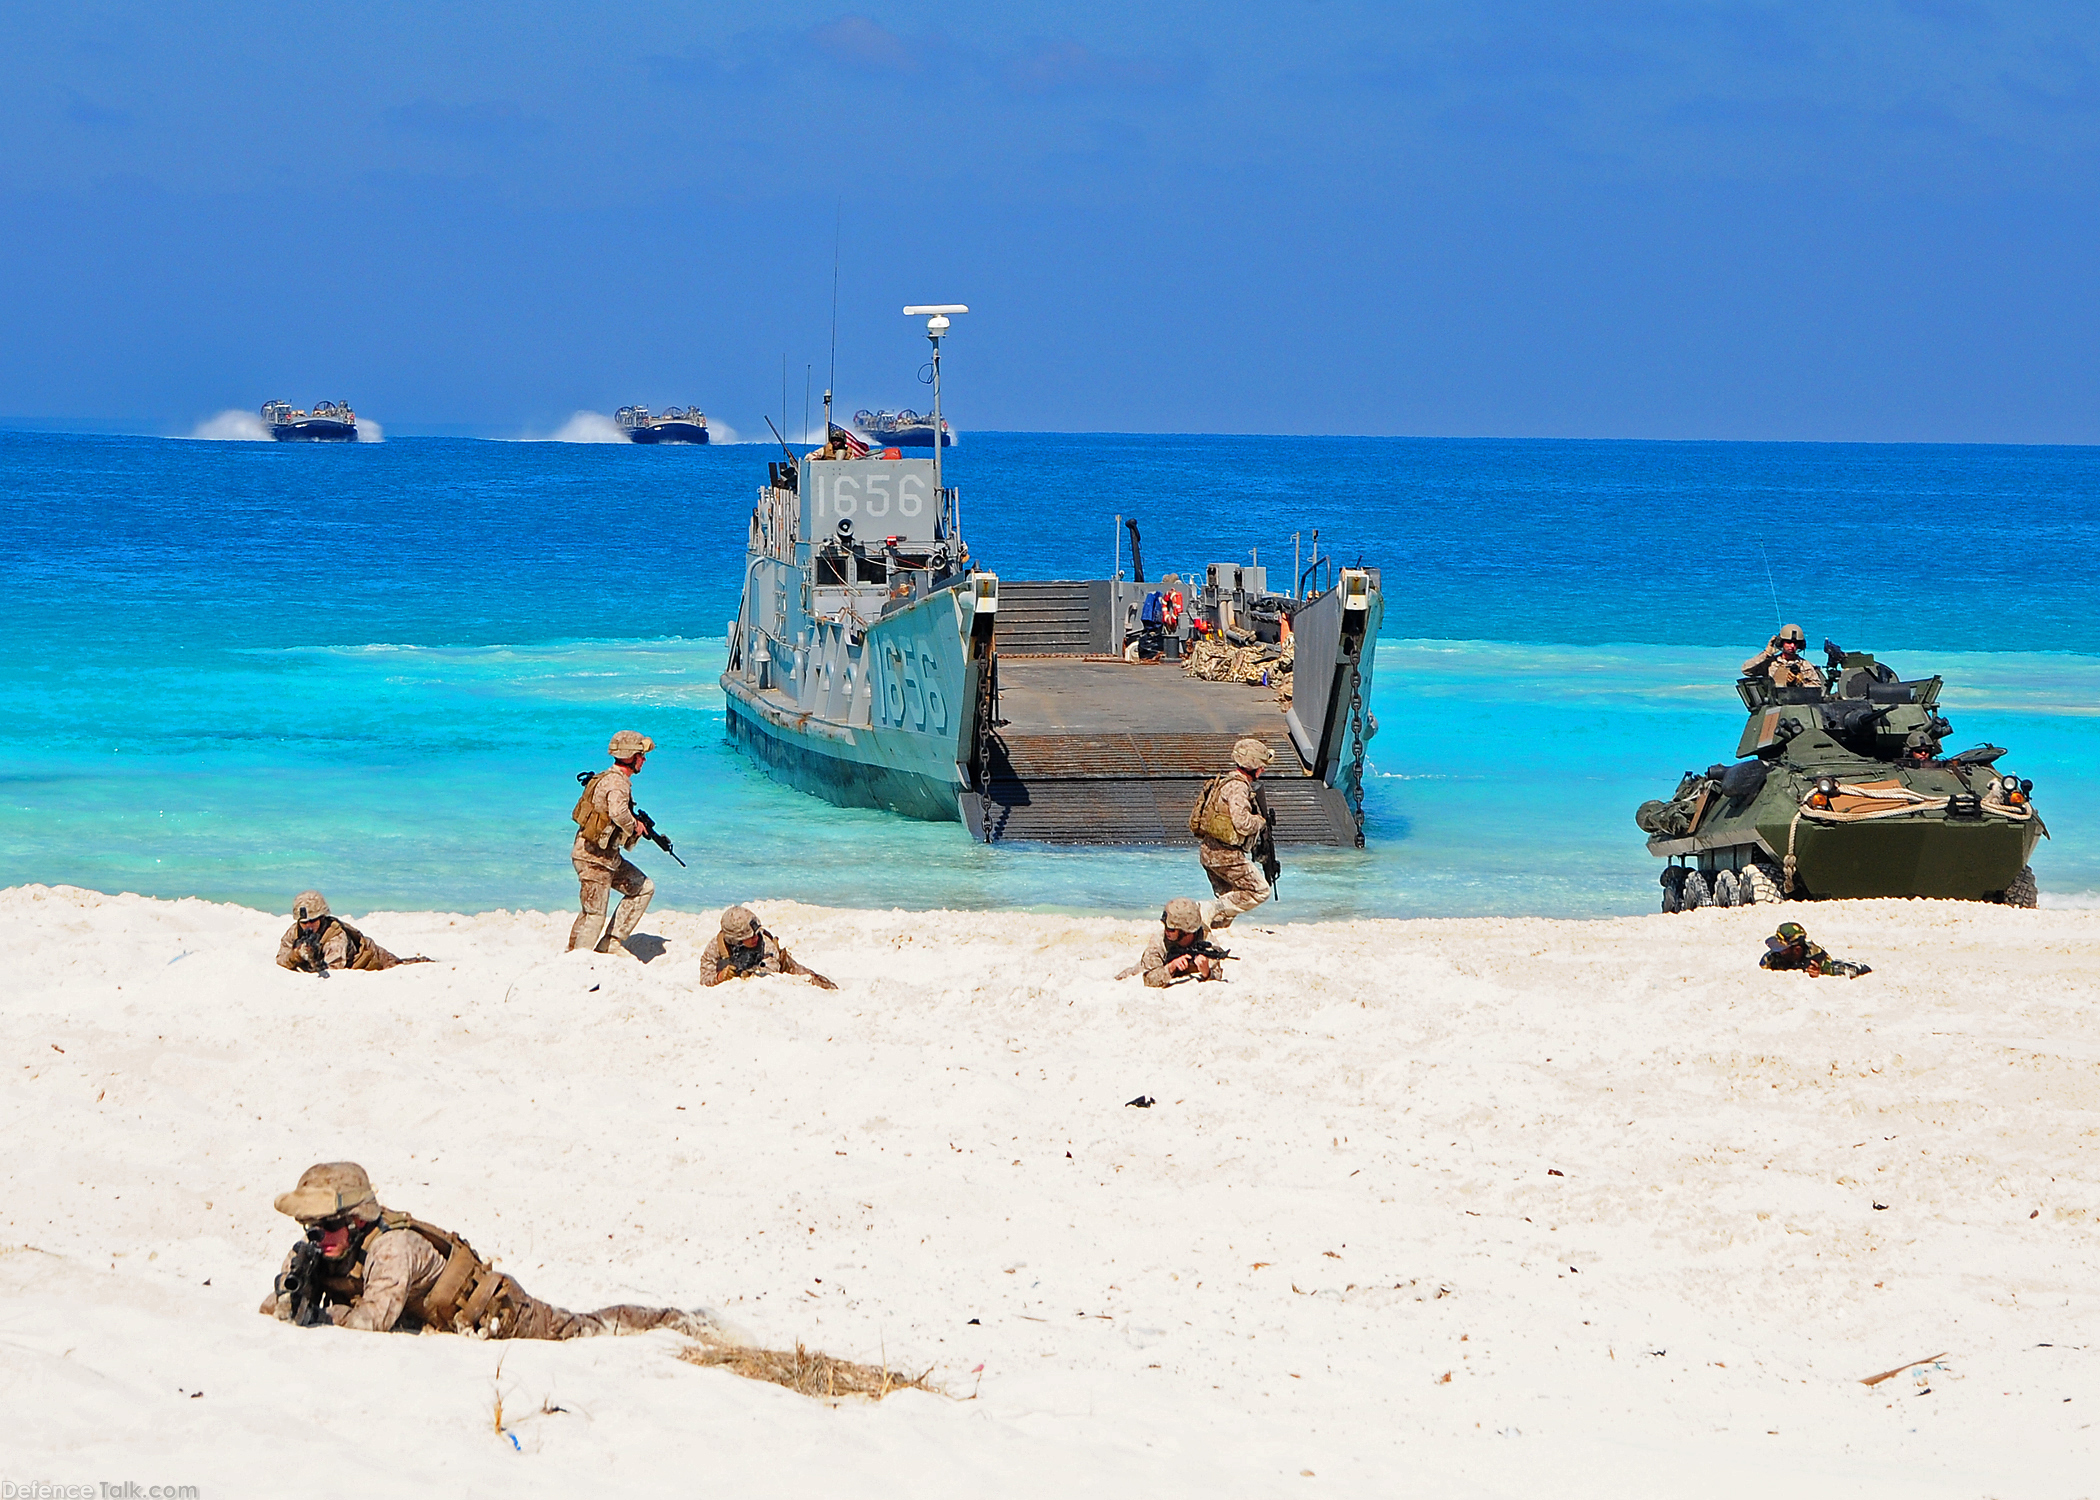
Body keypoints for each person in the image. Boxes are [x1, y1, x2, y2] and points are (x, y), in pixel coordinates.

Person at [259, 1162, 743, 1343]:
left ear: (358, 1219)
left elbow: (372, 1323)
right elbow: (276, 1306)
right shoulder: (317, 1253)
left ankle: (676, 1321)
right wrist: (289, 1299)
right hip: (450, 1323)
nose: (317, 1240)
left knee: (581, 1330)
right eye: (310, 1228)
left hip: (497, 1310)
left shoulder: (392, 1248)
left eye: (327, 1227)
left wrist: (321, 1317)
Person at [569, 731, 660, 955]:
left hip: (605, 857)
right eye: (641, 755)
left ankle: (610, 941)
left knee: (642, 887)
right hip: (594, 859)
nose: (644, 760)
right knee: (594, 915)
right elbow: (618, 812)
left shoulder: (608, 777)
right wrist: (634, 826)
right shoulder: (618, 784)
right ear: (631, 757)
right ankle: (576, 961)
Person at [1188, 737, 1275, 929]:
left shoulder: (1225, 781)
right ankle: (1207, 908)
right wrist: (1261, 822)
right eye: (1262, 766)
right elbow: (1242, 823)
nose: (1264, 770)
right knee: (1259, 891)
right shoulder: (1238, 787)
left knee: (1225, 915)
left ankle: (1198, 931)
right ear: (1255, 767)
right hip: (1226, 855)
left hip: (1210, 852)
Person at [275, 891, 420, 974]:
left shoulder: (335, 936)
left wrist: (312, 958)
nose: (308, 926)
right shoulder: (295, 931)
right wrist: (296, 955)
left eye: (313, 921)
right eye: (304, 922)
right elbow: (281, 958)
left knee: (405, 965)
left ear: (322, 917)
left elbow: (333, 968)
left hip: (373, 957)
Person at [697, 905, 838, 989]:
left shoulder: (765, 944)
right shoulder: (717, 947)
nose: (756, 938)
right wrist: (721, 976)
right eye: (750, 937)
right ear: (736, 940)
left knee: (814, 980)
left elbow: (772, 970)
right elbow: (704, 978)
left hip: (787, 969)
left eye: (757, 933)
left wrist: (747, 974)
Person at [1115, 897, 1227, 986]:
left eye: (1171, 929)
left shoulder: (1205, 939)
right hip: (1145, 969)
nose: (1166, 931)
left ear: (1186, 932)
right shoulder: (1159, 941)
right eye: (1166, 926)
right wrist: (1171, 967)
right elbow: (1149, 980)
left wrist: (1206, 972)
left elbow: (1217, 975)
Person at [1760, 921, 1871, 978]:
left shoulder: (1817, 957)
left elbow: (1861, 969)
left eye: (1782, 948)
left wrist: (1822, 971)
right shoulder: (1773, 957)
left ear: (1797, 950)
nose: (1778, 951)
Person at [1741, 624, 1825, 689]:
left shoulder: (1806, 666)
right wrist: (1766, 654)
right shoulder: (1771, 663)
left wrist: (1799, 683)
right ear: (1781, 643)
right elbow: (1746, 670)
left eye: (1795, 643)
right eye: (1788, 642)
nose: (1792, 646)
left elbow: (1817, 687)